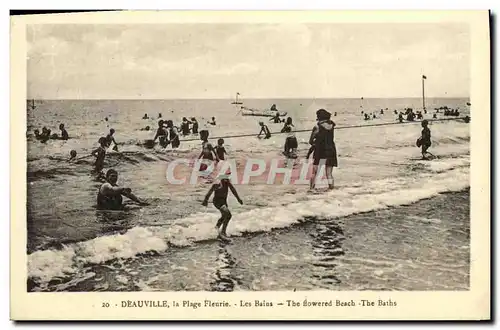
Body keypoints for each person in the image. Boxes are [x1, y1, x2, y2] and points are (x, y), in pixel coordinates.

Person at [202, 173, 243, 241]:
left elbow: (233, 190)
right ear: (221, 179)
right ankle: (223, 232)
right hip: (217, 202)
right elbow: (209, 192)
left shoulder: (227, 183)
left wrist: (238, 199)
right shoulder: (217, 185)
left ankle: (216, 229)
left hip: (224, 202)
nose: (227, 180)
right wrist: (205, 200)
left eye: (227, 179)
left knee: (224, 216)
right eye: (225, 179)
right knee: (228, 215)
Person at [309, 109, 338, 190]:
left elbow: (310, 141)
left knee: (315, 172)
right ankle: (332, 190)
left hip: (320, 150)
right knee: (329, 173)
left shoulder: (317, 127)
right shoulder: (332, 125)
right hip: (331, 149)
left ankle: (311, 189)